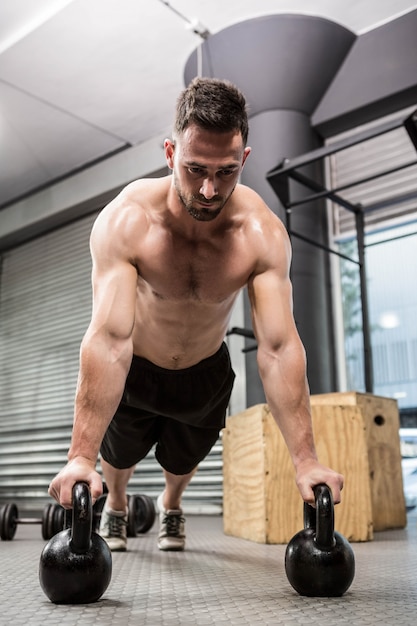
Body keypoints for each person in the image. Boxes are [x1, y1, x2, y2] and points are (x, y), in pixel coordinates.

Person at [49, 77, 343, 552]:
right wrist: (79, 456)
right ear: (170, 154)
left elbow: (278, 346)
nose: (209, 189)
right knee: (116, 455)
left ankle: (171, 506)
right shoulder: (128, 221)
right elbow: (109, 338)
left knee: (183, 461)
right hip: (137, 366)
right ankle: (119, 506)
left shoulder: (260, 233)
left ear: (244, 159)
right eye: (194, 169)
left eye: (226, 172)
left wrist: (306, 460)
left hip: (204, 370)